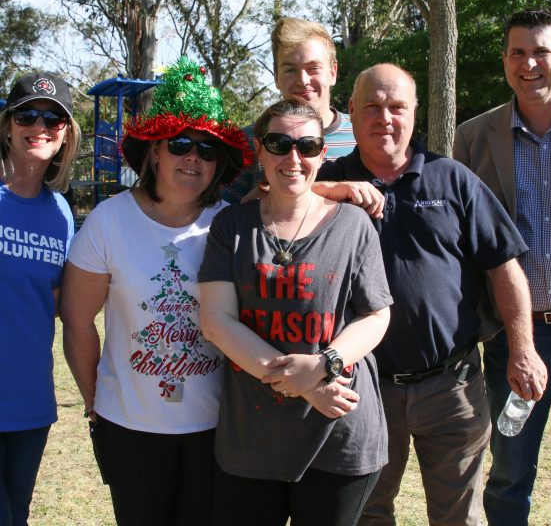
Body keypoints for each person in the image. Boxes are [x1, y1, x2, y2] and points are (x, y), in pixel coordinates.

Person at [314, 63, 547, 526]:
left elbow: (505, 264)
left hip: (452, 386)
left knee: (460, 515)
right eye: (373, 107)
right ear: (353, 112)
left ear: (414, 113)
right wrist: (329, 189)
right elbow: (260, 208)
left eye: (397, 107)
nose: (385, 118)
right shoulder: (327, 182)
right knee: (366, 513)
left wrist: (523, 349)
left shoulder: (451, 178)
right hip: (363, 388)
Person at [59, 57, 253, 526]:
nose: (193, 157)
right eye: (180, 144)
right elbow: (78, 321)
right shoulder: (109, 221)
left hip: (214, 428)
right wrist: (94, 403)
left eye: (207, 150)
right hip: (129, 428)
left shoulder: (228, 225)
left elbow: (295, 189)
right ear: (154, 153)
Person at [199, 99, 392, 526]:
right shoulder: (232, 226)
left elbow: (376, 315)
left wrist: (327, 363)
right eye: (279, 143)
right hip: (252, 440)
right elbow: (216, 321)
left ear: (323, 154)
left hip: (338, 435)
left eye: (306, 146)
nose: (293, 157)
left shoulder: (353, 225)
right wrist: (304, 384)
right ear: (259, 150)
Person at [454, 8, 551, 526]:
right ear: (505, 62)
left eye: (541, 51)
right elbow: (459, 240)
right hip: (511, 337)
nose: (529, 63)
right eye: (518, 52)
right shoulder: (473, 139)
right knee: (510, 473)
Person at [0, 72, 81, 526]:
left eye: (54, 118)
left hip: (31, 403)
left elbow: (55, 302)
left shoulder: (60, 213)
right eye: (27, 114)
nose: (40, 125)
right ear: (8, 124)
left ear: (66, 133)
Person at [221, 17, 356, 203]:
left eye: (313, 68)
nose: (303, 80)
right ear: (276, 77)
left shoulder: (361, 135)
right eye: (291, 70)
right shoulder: (246, 142)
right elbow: (224, 215)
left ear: (333, 73)